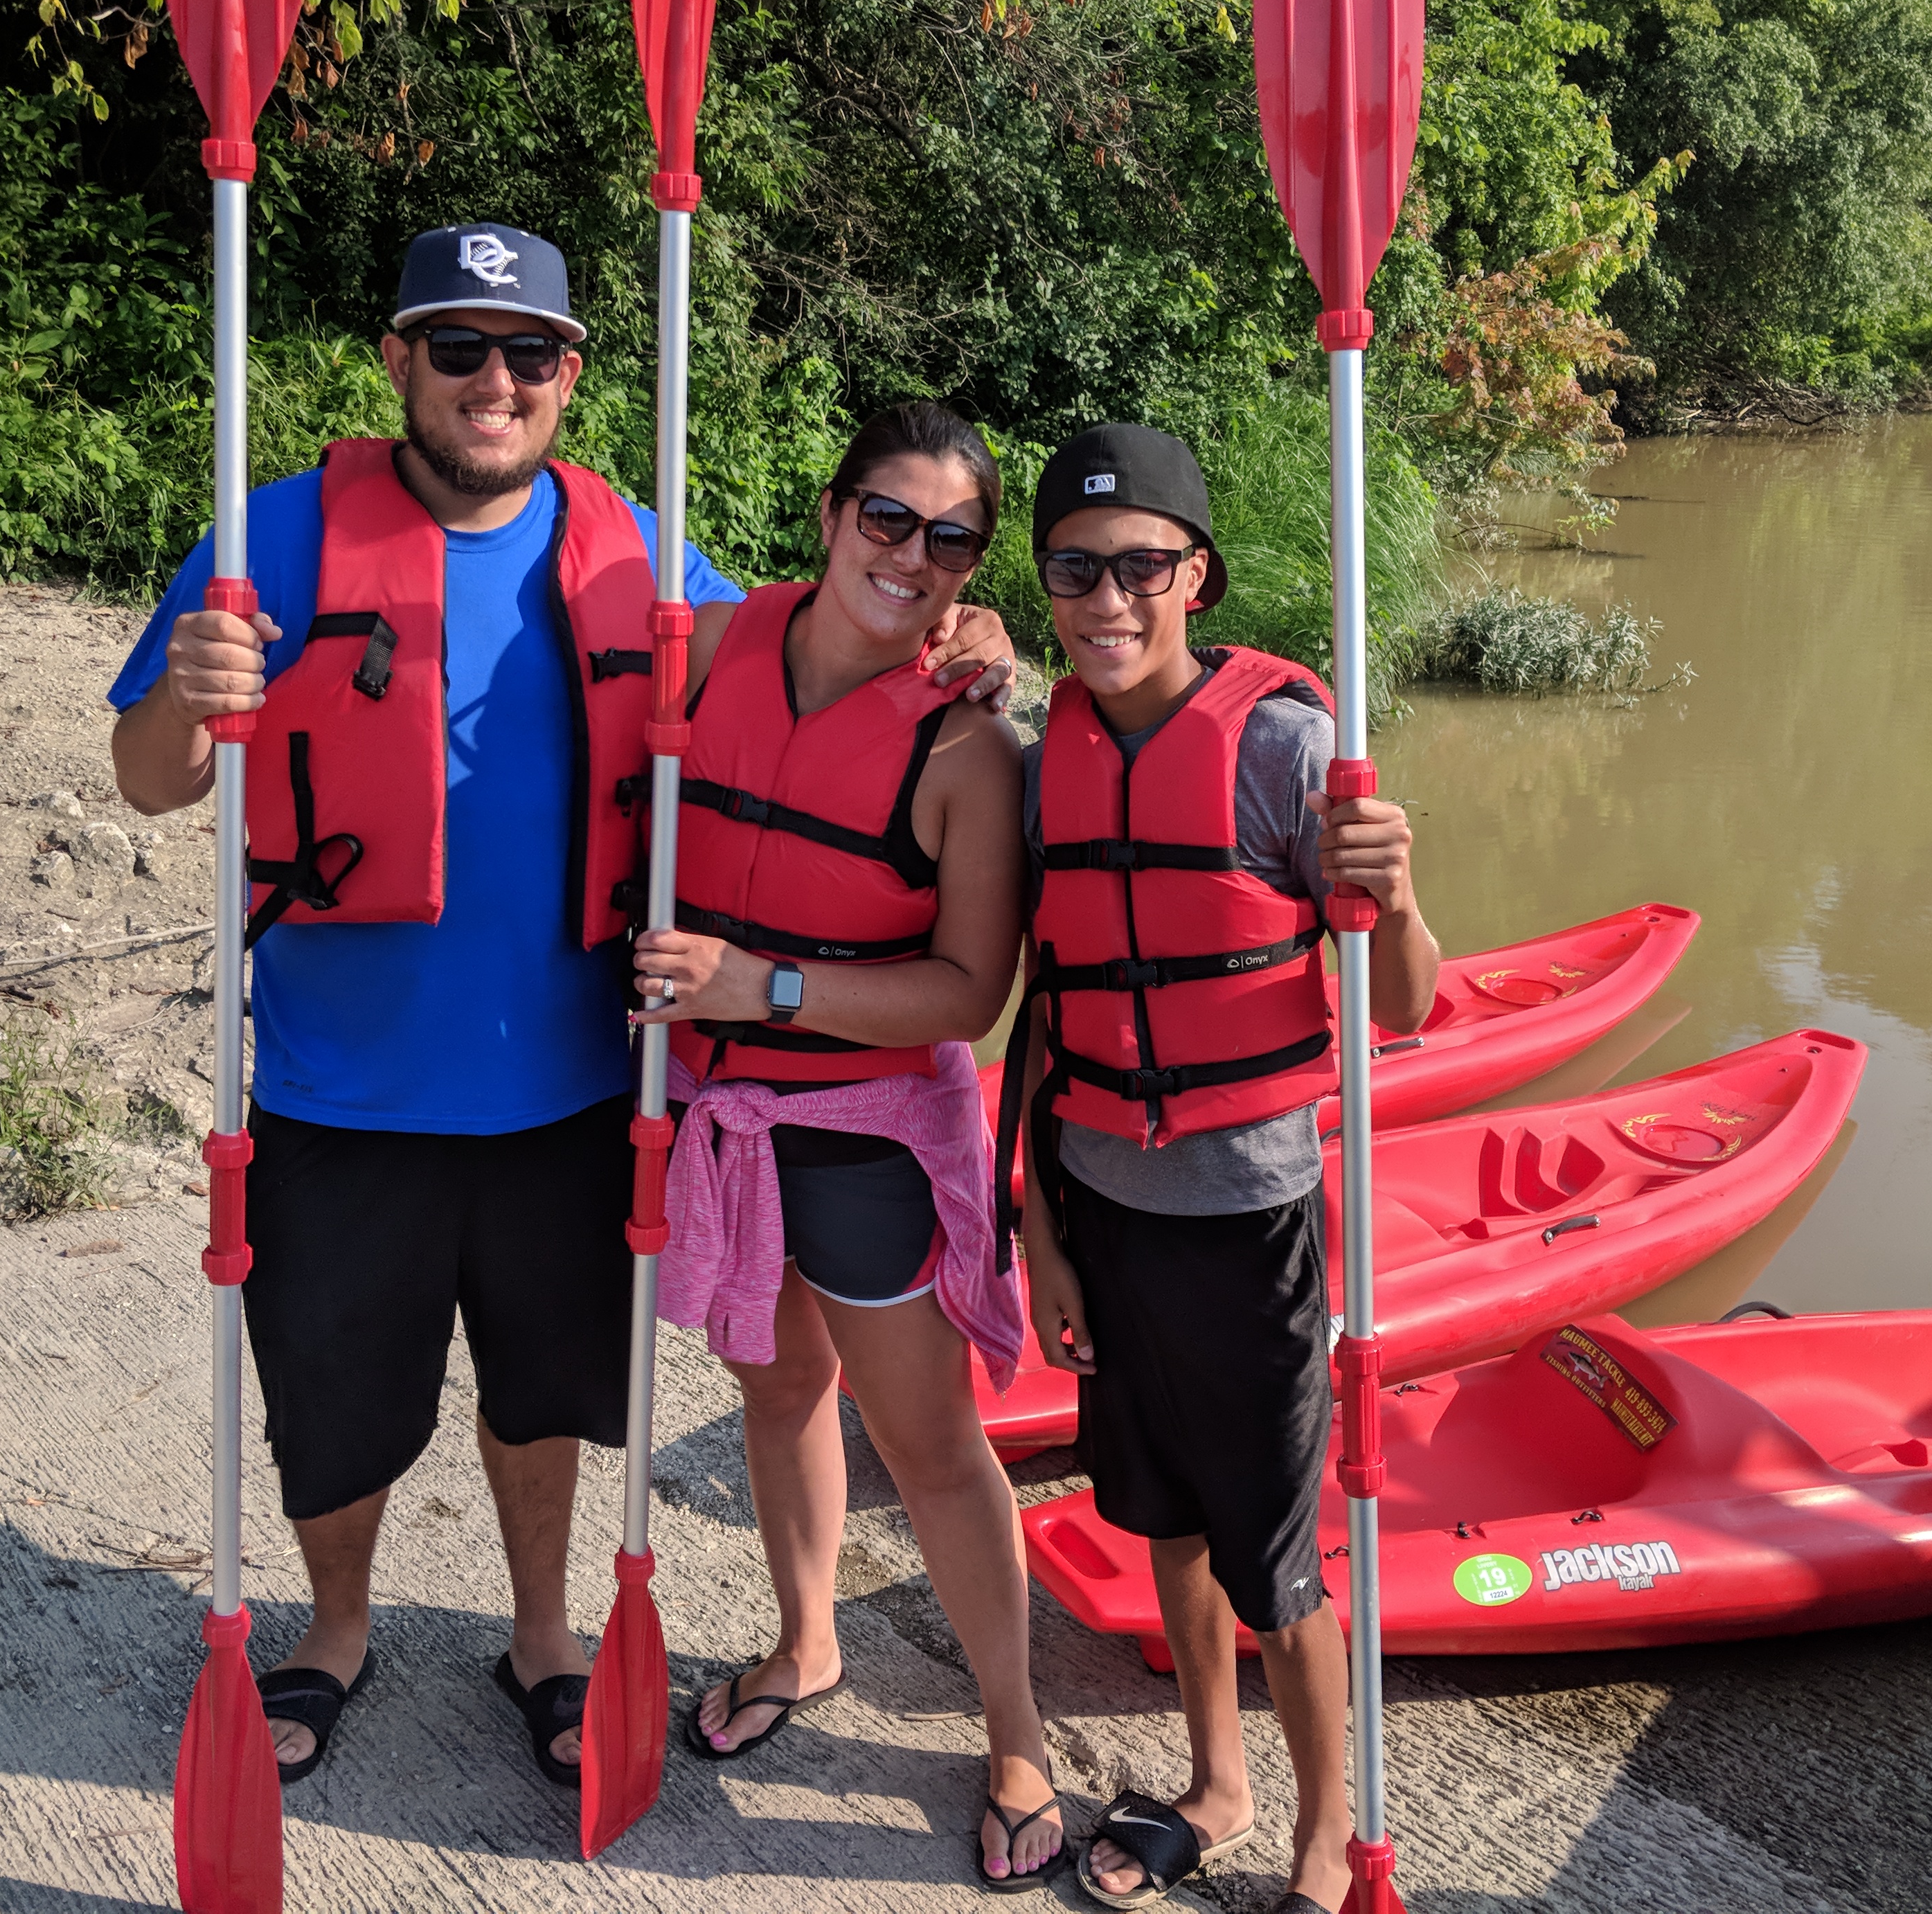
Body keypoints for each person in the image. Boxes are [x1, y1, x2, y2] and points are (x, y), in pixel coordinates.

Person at [107, 225, 1016, 1789]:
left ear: (570, 376)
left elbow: (834, 633)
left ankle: (542, 1636)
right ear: (399, 361)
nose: (496, 381)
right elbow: (149, 783)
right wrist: (190, 700)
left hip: (577, 1094)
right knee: (335, 1404)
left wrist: (967, 627)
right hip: (340, 1087)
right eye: (459, 347)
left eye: (528, 352)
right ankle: (337, 1627)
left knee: (543, 1399)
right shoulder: (272, 539)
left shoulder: (637, 559)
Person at [629, 402, 1067, 1892]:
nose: (913, 557)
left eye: (954, 541)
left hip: (868, 1138)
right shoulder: (713, 643)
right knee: (778, 1389)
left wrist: (764, 988)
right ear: (830, 515)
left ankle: (1017, 1735)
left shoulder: (969, 745)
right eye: (888, 518)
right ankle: (809, 1642)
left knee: (930, 1444)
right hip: (720, 1122)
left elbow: (971, 993)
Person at [1001, 424, 1439, 1914]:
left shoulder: (1284, 754)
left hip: (1250, 1227)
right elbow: (1046, 1014)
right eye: (1075, 570)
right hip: (1103, 1215)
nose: (1107, 600)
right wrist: (1043, 1238)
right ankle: (1217, 1782)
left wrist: (1395, 895)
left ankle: (1325, 1828)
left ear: (1197, 575)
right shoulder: (1041, 764)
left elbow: (1407, 1007)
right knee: (1167, 1527)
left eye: (1141, 567)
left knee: (1276, 1563)